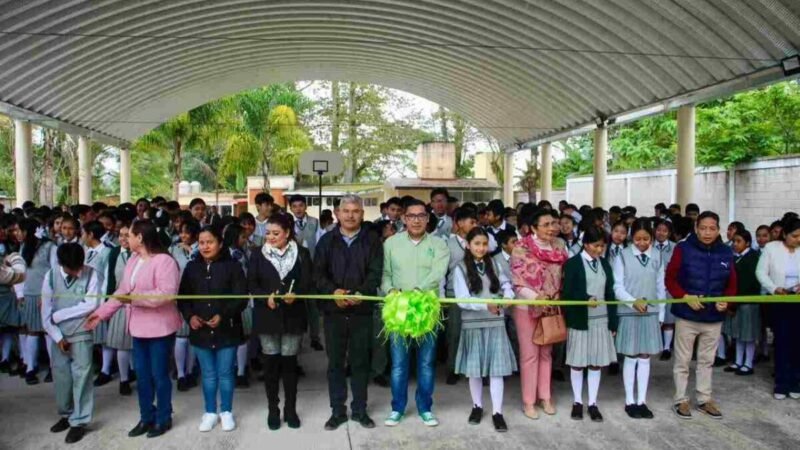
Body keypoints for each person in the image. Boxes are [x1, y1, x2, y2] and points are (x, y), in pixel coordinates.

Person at [86, 220, 183, 439]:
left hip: (160, 329)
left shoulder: (165, 261)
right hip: (138, 328)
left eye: (128, 235)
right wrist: (101, 314)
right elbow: (122, 291)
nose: (125, 240)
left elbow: (165, 295)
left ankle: (163, 417)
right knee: (142, 376)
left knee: (159, 376)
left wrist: (133, 299)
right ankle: (146, 417)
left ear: (140, 237)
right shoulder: (132, 260)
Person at [314, 195, 383, 430]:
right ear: (337, 214)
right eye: (346, 211)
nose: (351, 215)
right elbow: (318, 274)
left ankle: (360, 410)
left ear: (363, 214)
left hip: (361, 311)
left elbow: (375, 273)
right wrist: (334, 292)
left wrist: (359, 293)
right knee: (335, 363)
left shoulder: (373, 240)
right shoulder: (326, 241)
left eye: (356, 211)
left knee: (360, 362)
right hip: (334, 312)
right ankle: (337, 411)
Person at [382, 199, 449, 428]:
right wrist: (390, 289)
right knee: (399, 364)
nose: (417, 220)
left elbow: (439, 271)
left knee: (426, 363)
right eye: (412, 216)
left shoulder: (439, 244)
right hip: (398, 310)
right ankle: (397, 408)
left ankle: (425, 407)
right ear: (404, 218)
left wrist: (419, 290)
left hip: (426, 309)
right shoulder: (391, 243)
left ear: (428, 218)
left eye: (421, 215)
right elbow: (386, 273)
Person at [666, 211, 736, 420]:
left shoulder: (725, 252)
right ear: (696, 229)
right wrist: (685, 296)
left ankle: (704, 399)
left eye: (712, 228)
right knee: (683, 360)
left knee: (707, 360)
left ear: (718, 230)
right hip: (687, 316)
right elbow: (670, 279)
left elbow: (732, 283)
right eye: (703, 228)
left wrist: (728, 301)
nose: (707, 232)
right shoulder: (683, 249)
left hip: (714, 318)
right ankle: (681, 400)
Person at [179, 225, 247, 432]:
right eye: (201, 243)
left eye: (210, 242)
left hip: (227, 329)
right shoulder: (191, 268)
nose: (205, 246)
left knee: (225, 373)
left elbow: (241, 297)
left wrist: (223, 315)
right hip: (200, 330)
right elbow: (183, 298)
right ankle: (209, 412)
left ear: (220, 243)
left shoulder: (233, 266)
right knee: (208, 374)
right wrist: (190, 317)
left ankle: (226, 411)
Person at [248, 213, 313, 430]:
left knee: (289, 366)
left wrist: (298, 294)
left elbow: (308, 282)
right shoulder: (257, 254)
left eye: (276, 233)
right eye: (267, 233)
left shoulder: (301, 253)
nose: (271, 237)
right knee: (271, 366)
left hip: (293, 316)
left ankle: (290, 409)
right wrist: (265, 296)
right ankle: (273, 409)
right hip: (268, 316)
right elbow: (252, 283)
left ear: (287, 233)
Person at [453, 228, 516, 432]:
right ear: (468, 245)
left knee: (496, 371)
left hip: (495, 323)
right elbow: (462, 300)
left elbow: (507, 285)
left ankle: (498, 412)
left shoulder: (495, 264)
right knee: (475, 372)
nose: (481, 248)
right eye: (477, 244)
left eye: (484, 244)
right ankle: (477, 406)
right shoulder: (460, 268)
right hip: (473, 324)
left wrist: (508, 298)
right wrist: (485, 305)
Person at [510, 209, 567, 419]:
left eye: (554, 223)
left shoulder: (560, 246)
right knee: (530, 355)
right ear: (533, 228)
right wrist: (536, 298)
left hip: (551, 307)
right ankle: (529, 401)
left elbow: (563, 276)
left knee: (546, 353)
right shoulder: (521, 248)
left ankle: (545, 397)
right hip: (528, 307)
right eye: (546, 224)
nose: (552, 228)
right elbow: (517, 281)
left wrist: (553, 298)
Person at [41, 243, 101, 444]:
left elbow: (91, 304)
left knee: (82, 376)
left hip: (82, 333)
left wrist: (59, 315)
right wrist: (57, 336)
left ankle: (80, 421)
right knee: (61, 376)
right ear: (61, 264)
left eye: (79, 266)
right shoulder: (50, 277)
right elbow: (45, 315)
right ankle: (66, 414)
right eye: (72, 268)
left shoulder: (92, 274)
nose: (77, 272)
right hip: (58, 336)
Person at [562, 226, 618, 423]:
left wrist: (613, 321)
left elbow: (610, 293)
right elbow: (567, 293)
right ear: (585, 244)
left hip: (601, 319)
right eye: (596, 245)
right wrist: (585, 298)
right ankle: (577, 401)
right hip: (580, 319)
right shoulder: (572, 264)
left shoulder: (605, 264)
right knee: (577, 363)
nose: (599, 249)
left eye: (602, 246)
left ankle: (593, 403)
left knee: (596, 363)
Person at [612, 219, 666, 419]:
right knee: (631, 355)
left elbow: (661, 286)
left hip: (650, 312)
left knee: (645, 357)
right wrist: (632, 301)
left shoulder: (658, 256)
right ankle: (629, 400)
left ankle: (642, 400)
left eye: (646, 239)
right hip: (629, 312)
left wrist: (660, 313)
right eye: (637, 239)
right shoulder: (623, 256)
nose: (642, 243)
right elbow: (617, 286)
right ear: (630, 237)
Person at [756, 217, 800, 400]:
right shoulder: (771, 249)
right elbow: (760, 272)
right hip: (780, 299)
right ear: (784, 234)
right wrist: (774, 288)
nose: (798, 239)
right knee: (782, 341)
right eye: (795, 236)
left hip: (798, 301)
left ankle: (795, 383)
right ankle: (781, 384)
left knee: (797, 343)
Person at [17, 217, 57, 385]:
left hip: (45, 295)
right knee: (32, 331)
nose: (17, 233)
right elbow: (20, 272)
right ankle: (30, 367)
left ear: (27, 231)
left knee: (48, 331)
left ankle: (53, 368)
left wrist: (48, 295)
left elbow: (55, 271)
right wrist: (20, 294)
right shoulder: (24, 247)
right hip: (29, 294)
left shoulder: (50, 247)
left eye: (20, 230)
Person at [444, 207, 479, 385]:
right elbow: (443, 272)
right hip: (454, 294)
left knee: (475, 332)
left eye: (476, 222)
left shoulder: (481, 242)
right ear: (459, 224)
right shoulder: (448, 245)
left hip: (476, 293)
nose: (475, 225)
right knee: (455, 333)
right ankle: (453, 368)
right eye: (471, 222)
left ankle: (476, 369)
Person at [103, 221, 136, 396]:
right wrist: (108, 304)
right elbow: (110, 279)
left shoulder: (140, 253)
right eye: (121, 235)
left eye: (127, 235)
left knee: (136, 344)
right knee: (122, 345)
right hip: (120, 302)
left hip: (138, 303)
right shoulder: (114, 253)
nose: (124, 239)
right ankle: (124, 379)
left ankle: (135, 372)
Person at [82, 221, 115, 387]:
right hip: (87, 298)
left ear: (91, 235)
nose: (82, 237)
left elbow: (107, 279)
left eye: (84, 233)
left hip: (99, 299)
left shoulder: (107, 252)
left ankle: (106, 369)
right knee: (93, 336)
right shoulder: (88, 252)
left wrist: (102, 303)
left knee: (104, 338)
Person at [723, 230, 761, 376]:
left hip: (748, 302)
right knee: (738, 334)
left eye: (739, 241)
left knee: (748, 335)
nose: (735, 244)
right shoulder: (735, 258)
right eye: (734, 241)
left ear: (748, 243)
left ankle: (748, 363)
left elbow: (748, 283)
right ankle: (738, 361)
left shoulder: (752, 258)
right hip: (736, 302)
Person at [169, 219, 201, 392]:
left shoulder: (202, 248)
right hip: (179, 296)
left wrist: (192, 252)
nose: (183, 235)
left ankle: (190, 371)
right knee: (181, 337)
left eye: (187, 232)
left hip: (199, 296)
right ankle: (180, 373)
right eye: (181, 231)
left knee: (193, 337)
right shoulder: (173, 249)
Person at [0, 237, 25, 374]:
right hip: (5, 294)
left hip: (7, 297)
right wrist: (16, 259)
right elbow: (17, 275)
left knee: (8, 329)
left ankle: (5, 359)